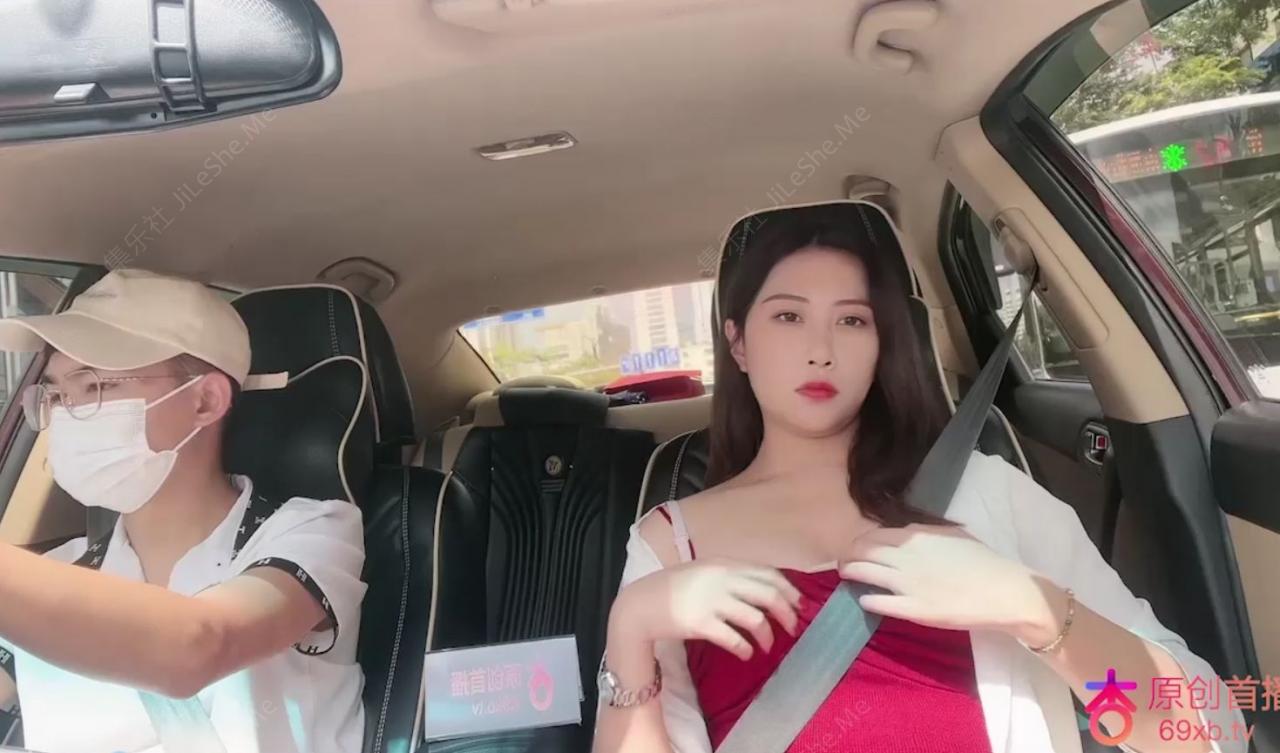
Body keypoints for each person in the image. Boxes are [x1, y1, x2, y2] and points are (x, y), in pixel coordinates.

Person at [593, 203, 1245, 753]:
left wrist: (1032, 608)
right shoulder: (670, 545)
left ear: (882, 342)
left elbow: (1205, 731)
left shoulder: (987, 494)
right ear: (738, 342)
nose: (821, 350)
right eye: (788, 316)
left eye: (853, 319)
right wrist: (630, 628)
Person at [0, 269, 366, 753]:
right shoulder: (63, 568)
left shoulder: (310, 533)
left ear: (204, 401)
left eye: (93, 386)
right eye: (57, 395)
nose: (67, 413)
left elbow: (198, 646)